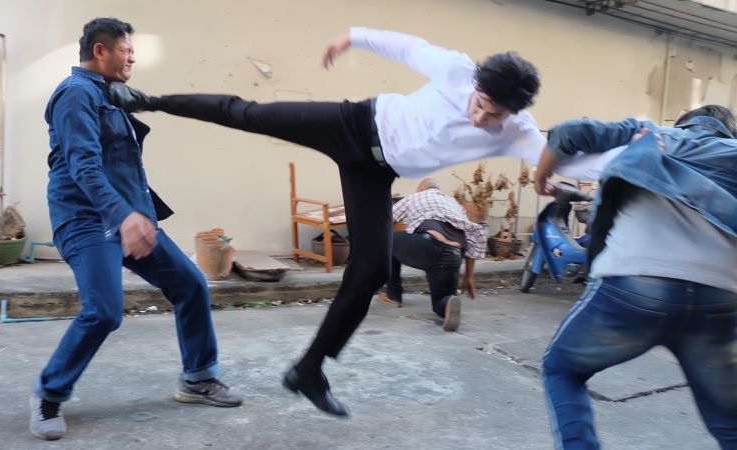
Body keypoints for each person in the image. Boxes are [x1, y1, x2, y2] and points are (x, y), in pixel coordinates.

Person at [109, 26, 609, 417]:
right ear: (476, 84)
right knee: (249, 113)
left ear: (513, 113)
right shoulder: (457, 70)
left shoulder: (518, 130)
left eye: (494, 116)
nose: (481, 119)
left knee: (370, 270)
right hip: (352, 124)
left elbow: (575, 160)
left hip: (375, 172)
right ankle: (150, 101)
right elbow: (407, 47)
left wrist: (632, 157)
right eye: (480, 105)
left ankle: (309, 369)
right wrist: (351, 37)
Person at [32, 18, 243, 441]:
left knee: (190, 285)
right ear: (100, 51)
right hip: (87, 220)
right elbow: (84, 166)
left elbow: (133, 127)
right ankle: (48, 395)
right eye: (126, 50)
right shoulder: (76, 94)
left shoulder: (108, 94)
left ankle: (198, 378)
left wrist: (134, 214)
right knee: (104, 311)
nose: (133, 58)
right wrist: (123, 216)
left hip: (129, 218)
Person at [534, 105, 737, 449]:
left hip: (634, 282)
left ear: (684, 123)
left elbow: (569, 134)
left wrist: (540, 179)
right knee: (730, 423)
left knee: (562, 368)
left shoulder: (652, 132)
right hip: (720, 296)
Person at [378, 178, 486, 332]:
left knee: (387, 241)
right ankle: (448, 303)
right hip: (454, 254)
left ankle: (393, 296)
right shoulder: (455, 204)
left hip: (429, 245)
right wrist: (469, 276)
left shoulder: (415, 197)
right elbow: (471, 239)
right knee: (440, 302)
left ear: (421, 190)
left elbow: (386, 219)